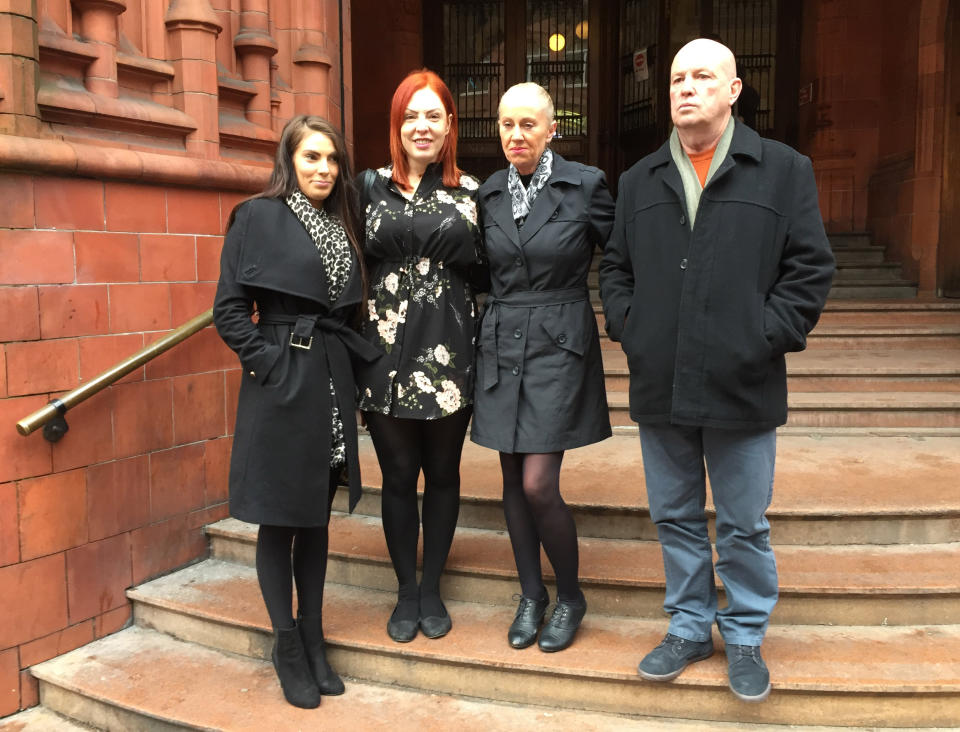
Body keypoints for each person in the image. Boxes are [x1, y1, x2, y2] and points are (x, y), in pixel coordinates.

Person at [599, 39, 835, 702]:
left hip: (743, 380)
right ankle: (689, 625)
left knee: (742, 522)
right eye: (676, 77)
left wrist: (764, 335)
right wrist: (634, 328)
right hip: (661, 379)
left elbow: (811, 269)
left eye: (703, 75)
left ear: (734, 90)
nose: (685, 87)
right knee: (673, 514)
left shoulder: (783, 170)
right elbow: (615, 269)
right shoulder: (640, 179)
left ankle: (748, 633)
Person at [214, 115, 379, 708]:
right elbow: (229, 310)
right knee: (279, 519)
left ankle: (314, 635)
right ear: (289, 160)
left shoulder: (342, 223)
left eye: (333, 160)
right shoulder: (257, 217)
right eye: (312, 157)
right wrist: (273, 364)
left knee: (316, 517)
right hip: (283, 383)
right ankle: (286, 643)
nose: (325, 170)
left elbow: (348, 310)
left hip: (330, 384)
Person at [472, 82, 614, 653]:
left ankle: (571, 596)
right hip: (502, 341)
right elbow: (480, 273)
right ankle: (532, 595)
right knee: (510, 479)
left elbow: (625, 256)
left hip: (559, 342)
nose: (516, 135)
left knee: (538, 483)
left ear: (553, 128)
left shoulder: (586, 186)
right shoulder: (485, 195)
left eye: (528, 124)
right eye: (507, 124)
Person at [356, 70, 485, 644]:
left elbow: (489, 272)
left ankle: (432, 585)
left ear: (450, 124)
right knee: (398, 476)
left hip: (448, 354)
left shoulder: (474, 192)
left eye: (434, 115)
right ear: (397, 124)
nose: (422, 126)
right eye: (412, 115)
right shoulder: (365, 188)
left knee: (443, 474)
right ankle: (405, 589)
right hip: (382, 355)